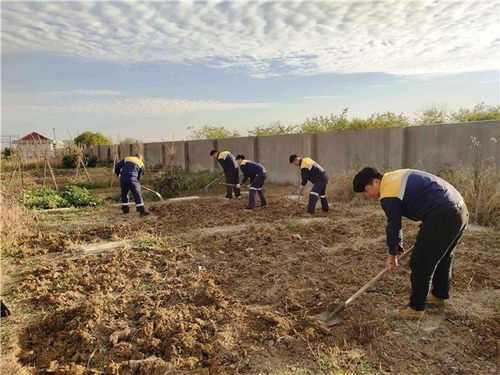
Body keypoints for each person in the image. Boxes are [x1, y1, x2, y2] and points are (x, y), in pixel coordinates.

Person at [352, 167, 468, 319]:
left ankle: (415, 309)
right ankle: (439, 295)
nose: (367, 196)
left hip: (443, 215)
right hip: (459, 211)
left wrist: (392, 255)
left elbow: (393, 226)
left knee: (420, 262)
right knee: (443, 255)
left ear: (375, 182)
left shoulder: (388, 192)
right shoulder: (395, 177)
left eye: (366, 191)